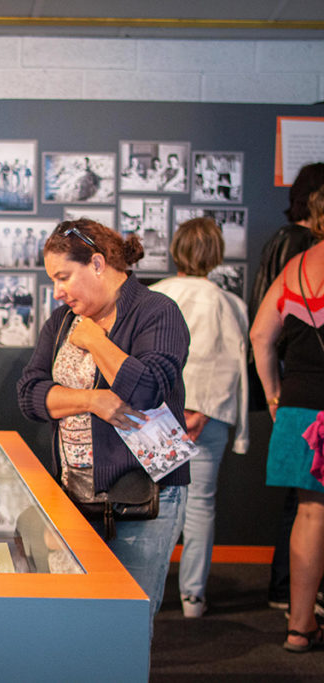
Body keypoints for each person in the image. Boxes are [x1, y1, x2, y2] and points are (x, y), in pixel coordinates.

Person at [17, 219, 190, 636]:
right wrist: (91, 401)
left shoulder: (157, 311)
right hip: (75, 494)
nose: (58, 291)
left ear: (97, 263)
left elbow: (147, 389)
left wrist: (95, 341)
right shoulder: (61, 321)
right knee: (73, 622)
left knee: (126, 626)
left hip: (145, 495)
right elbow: (30, 395)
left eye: (63, 277)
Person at [150, 217, 249, 618]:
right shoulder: (232, 304)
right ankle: (193, 597)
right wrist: (202, 411)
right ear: (217, 254)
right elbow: (230, 364)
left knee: (151, 507)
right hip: (208, 419)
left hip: (156, 418)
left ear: (176, 249)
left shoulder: (155, 296)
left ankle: (147, 593)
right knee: (200, 507)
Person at [251, 187, 324, 653]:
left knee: (311, 513)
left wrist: (274, 394)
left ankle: (300, 627)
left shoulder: (296, 267)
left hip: (299, 404)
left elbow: (260, 335)